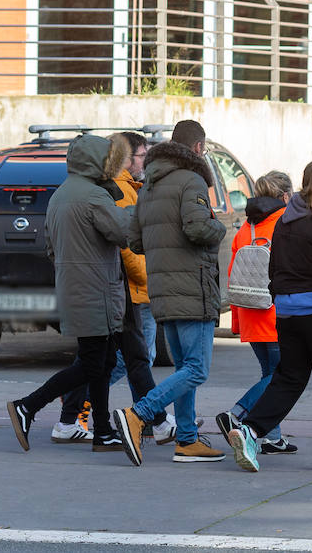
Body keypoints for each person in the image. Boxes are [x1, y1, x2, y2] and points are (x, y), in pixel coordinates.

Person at [227, 159, 312, 473]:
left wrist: (282, 298)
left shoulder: (286, 218)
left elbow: (274, 266)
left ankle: (250, 429)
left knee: (289, 378)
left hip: (287, 312)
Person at [7, 134, 136, 453]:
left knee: (102, 362)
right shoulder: (94, 196)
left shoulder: (60, 195)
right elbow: (123, 233)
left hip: (74, 286)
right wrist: (134, 210)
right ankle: (28, 406)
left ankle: (103, 431)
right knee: (94, 364)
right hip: (97, 290)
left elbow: (49, 247)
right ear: (99, 162)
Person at [112, 119, 227, 465]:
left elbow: (134, 239)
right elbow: (197, 227)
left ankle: (187, 439)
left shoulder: (147, 185)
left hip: (161, 288)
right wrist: (218, 227)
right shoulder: (192, 180)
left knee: (183, 367)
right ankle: (138, 414)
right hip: (192, 286)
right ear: (197, 148)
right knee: (196, 369)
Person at [51, 133, 175, 445]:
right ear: (123, 159)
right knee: (116, 360)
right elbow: (126, 241)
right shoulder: (106, 192)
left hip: (106, 289)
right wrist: (150, 277)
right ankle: (64, 411)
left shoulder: (75, 193)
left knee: (117, 359)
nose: (144, 162)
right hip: (118, 290)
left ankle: (125, 421)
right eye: (140, 156)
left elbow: (52, 246)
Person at [214, 170, 298, 455]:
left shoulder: (245, 228)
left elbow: (232, 274)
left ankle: (271, 436)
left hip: (250, 311)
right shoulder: (286, 224)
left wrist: (237, 320)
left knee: (269, 372)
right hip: (275, 313)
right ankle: (238, 413)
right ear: (285, 196)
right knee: (280, 377)